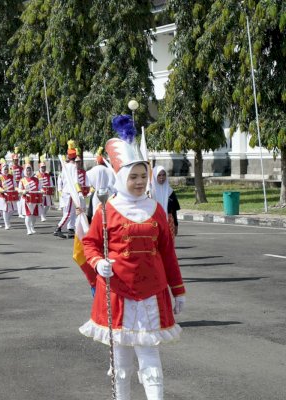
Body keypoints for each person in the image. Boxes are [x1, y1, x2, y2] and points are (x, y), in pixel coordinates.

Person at [80, 115, 185, 400]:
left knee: (150, 360)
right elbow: (90, 244)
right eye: (133, 176)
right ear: (121, 178)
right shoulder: (106, 210)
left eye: (143, 175)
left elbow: (167, 253)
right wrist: (97, 263)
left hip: (151, 294)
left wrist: (178, 291)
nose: (139, 182)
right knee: (122, 364)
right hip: (117, 293)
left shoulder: (156, 209)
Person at [54, 141, 78, 237]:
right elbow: (76, 181)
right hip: (70, 192)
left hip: (65, 191)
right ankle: (58, 228)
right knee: (68, 213)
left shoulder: (65, 167)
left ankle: (71, 229)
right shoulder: (73, 167)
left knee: (71, 212)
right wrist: (79, 192)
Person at [151, 166, 180, 239]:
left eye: (164, 175)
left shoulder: (170, 192)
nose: (162, 177)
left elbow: (174, 211)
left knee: (168, 247)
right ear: (154, 176)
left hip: (169, 222)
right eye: (159, 175)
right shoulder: (150, 193)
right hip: (153, 222)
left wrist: (176, 224)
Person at [17, 161, 42, 235]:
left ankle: (32, 227)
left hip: (35, 199)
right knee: (28, 215)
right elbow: (19, 190)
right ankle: (28, 229)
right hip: (26, 200)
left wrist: (41, 191)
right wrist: (23, 191)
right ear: (25, 171)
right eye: (27, 170)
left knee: (34, 215)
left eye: (30, 170)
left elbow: (40, 188)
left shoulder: (36, 179)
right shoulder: (22, 180)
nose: (28, 172)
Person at [0, 163, 18, 230]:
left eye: (7, 169)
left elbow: (15, 185)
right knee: (5, 210)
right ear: (2, 169)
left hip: (11, 195)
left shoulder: (11, 176)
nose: (6, 170)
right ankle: (7, 224)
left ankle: (7, 221)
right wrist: (1, 190)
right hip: (3, 196)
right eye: (5, 169)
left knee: (14, 210)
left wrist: (17, 190)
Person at [36, 156, 54, 222]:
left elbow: (51, 182)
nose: (43, 168)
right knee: (42, 204)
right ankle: (42, 216)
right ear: (40, 168)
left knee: (48, 205)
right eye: (42, 167)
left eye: (44, 167)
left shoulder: (48, 175)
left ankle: (43, 214)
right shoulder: (37, 175)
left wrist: (51, 188)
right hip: (41, 191)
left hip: (48, 191)